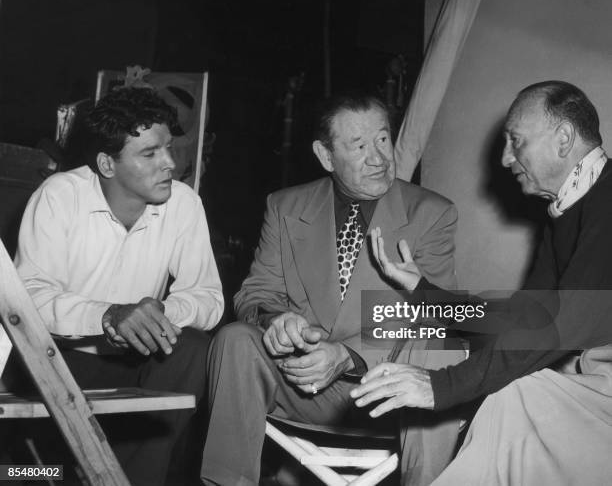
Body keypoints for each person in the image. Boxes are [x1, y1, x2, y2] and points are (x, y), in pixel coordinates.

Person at [352, 81, 612, 485]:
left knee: (515, 398)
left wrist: (440, 386)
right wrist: (424, 290)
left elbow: (555, 330)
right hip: (596, 386)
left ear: (564, 139)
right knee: (511, 399)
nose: (506, 158)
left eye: (516, 140)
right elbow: (521, 321)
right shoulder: (569, 210)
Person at [201, 92, 466, 486]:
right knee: (235, 339)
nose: (379, 158)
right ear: (326, 157)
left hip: (389, 394)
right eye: (359, 146)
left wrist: (348, 355)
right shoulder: (285, 206)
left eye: (382, 139)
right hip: (301, 387)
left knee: (437, 343)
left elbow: (436, 318)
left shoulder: (431, 213)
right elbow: (256, 293)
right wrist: (277, 321)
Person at [14, 86, 224, 486]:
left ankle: (128, 479)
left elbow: (208, 298)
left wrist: (156, 315)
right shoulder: (59, 197)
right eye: (150, 153)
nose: (170, 163)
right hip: (61, 361)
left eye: (169, 147)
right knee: (34, 475)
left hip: (141, 363)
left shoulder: (183, 203)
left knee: (196, 348)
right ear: (107, 165)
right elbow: (27, 299)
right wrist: (110, 316)